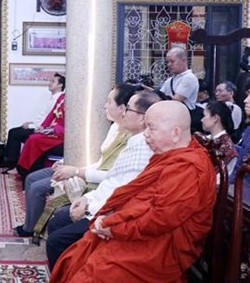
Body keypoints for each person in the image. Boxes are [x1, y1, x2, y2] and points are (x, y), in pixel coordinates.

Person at [50, 101, 217, 282]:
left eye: (151, 129)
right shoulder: (170, 155)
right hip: (141, 233)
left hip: (161, 247)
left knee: (96, 272)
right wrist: (111, 218)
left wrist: (115, 229)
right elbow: (137, 196)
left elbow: (161, 219)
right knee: (78, 256)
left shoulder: (188, 168)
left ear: (176, 133)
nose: (145, 135)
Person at [45, 90, 159, 267]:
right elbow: (112, 178)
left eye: (128, 109)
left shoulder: (144, 148)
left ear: (143, 118)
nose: (124, 113)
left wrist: (88, 206)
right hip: (99, 200)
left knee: (56, 240)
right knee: (57, 223)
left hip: (108, 212)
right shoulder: (131, 139)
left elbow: (123, 191)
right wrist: (86, 198)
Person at [13, 83, 138, 238]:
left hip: (98, 183)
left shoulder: (131, 138)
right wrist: (73, 167)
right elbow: (101, 162)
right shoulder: (114, 128)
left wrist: (77, 172)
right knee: (32, 178)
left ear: (122, 108)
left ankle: (32, 229)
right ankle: (29, 226)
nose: (104, 106)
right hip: (89, 172)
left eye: (109, 102)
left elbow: (112, 174)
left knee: (39, 188)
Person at [2, 73, 66, 173]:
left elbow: (52, 119)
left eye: (53, 81)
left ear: (60, 85)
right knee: (14, 132)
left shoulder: (60, 98)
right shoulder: (52, 98)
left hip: (49, 130)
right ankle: (12, 164)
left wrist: (35, 126)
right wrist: (32, 123)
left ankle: (14, 165)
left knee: (15, 133)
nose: (50, 83)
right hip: (43, 126)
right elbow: (46, 116)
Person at [158, 47, 201, 132]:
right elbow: (160, 94)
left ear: (184, 60)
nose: (169, 65)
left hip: (183, 117)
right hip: (170, 117)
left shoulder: (189, 78)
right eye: (167, 62)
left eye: (172, 61)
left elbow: (177, 100)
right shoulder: (170, 80)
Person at [200, 101, 238, 177]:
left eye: (204, 116)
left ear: (215, 118)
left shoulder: (227, 148)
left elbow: (220, 182)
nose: (202, 120)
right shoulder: (204, 139)